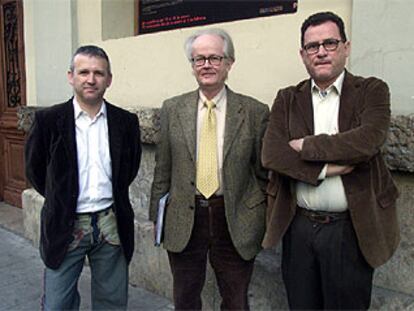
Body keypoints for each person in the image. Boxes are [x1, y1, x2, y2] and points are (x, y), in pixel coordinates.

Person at [261, 11, 400, 310]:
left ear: (346, 47)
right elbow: (272, 154)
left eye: (330, 43)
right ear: (303, 54)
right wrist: (327, 168)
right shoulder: (287, 98)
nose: (321, 51)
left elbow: (367, 142)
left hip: (350, 229)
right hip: (298, 227)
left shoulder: (372, 90)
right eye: (312, 46)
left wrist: (306, 146)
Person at [149, 28, 269, 310]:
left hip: (234, 215)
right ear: (192, 66)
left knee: (235, 298)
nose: (206, 65)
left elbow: (264, 172)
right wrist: (157, 214)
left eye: (215, 57)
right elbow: (162, 167)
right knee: (186, 296)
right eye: (198, 59)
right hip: (184, 216)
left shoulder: (254, 111)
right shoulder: (172, 109)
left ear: (229, 63)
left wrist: (259, 211)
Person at [25, 45, 141, 310]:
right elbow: (36, 170)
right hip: (66, 224)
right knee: (57, 304)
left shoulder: (126, 122)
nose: (91, 79)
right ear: (71, 76)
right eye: (84, 72)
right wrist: (62, 197)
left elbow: (129, 168)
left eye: (99, 73)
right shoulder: (47, 121)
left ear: (109, 79)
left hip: (110, 223)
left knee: (112, 301)